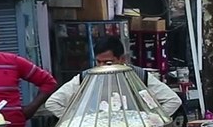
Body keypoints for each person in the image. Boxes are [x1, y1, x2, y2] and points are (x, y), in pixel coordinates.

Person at [43, 36, 182, 119]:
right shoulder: (86, 77)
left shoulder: (139, 75)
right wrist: (77, 121)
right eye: (99, 62)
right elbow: (53, 103)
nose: (102, 66)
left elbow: (173, 100)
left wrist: (151, 121)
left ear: (122, 59)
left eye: (108, 62)